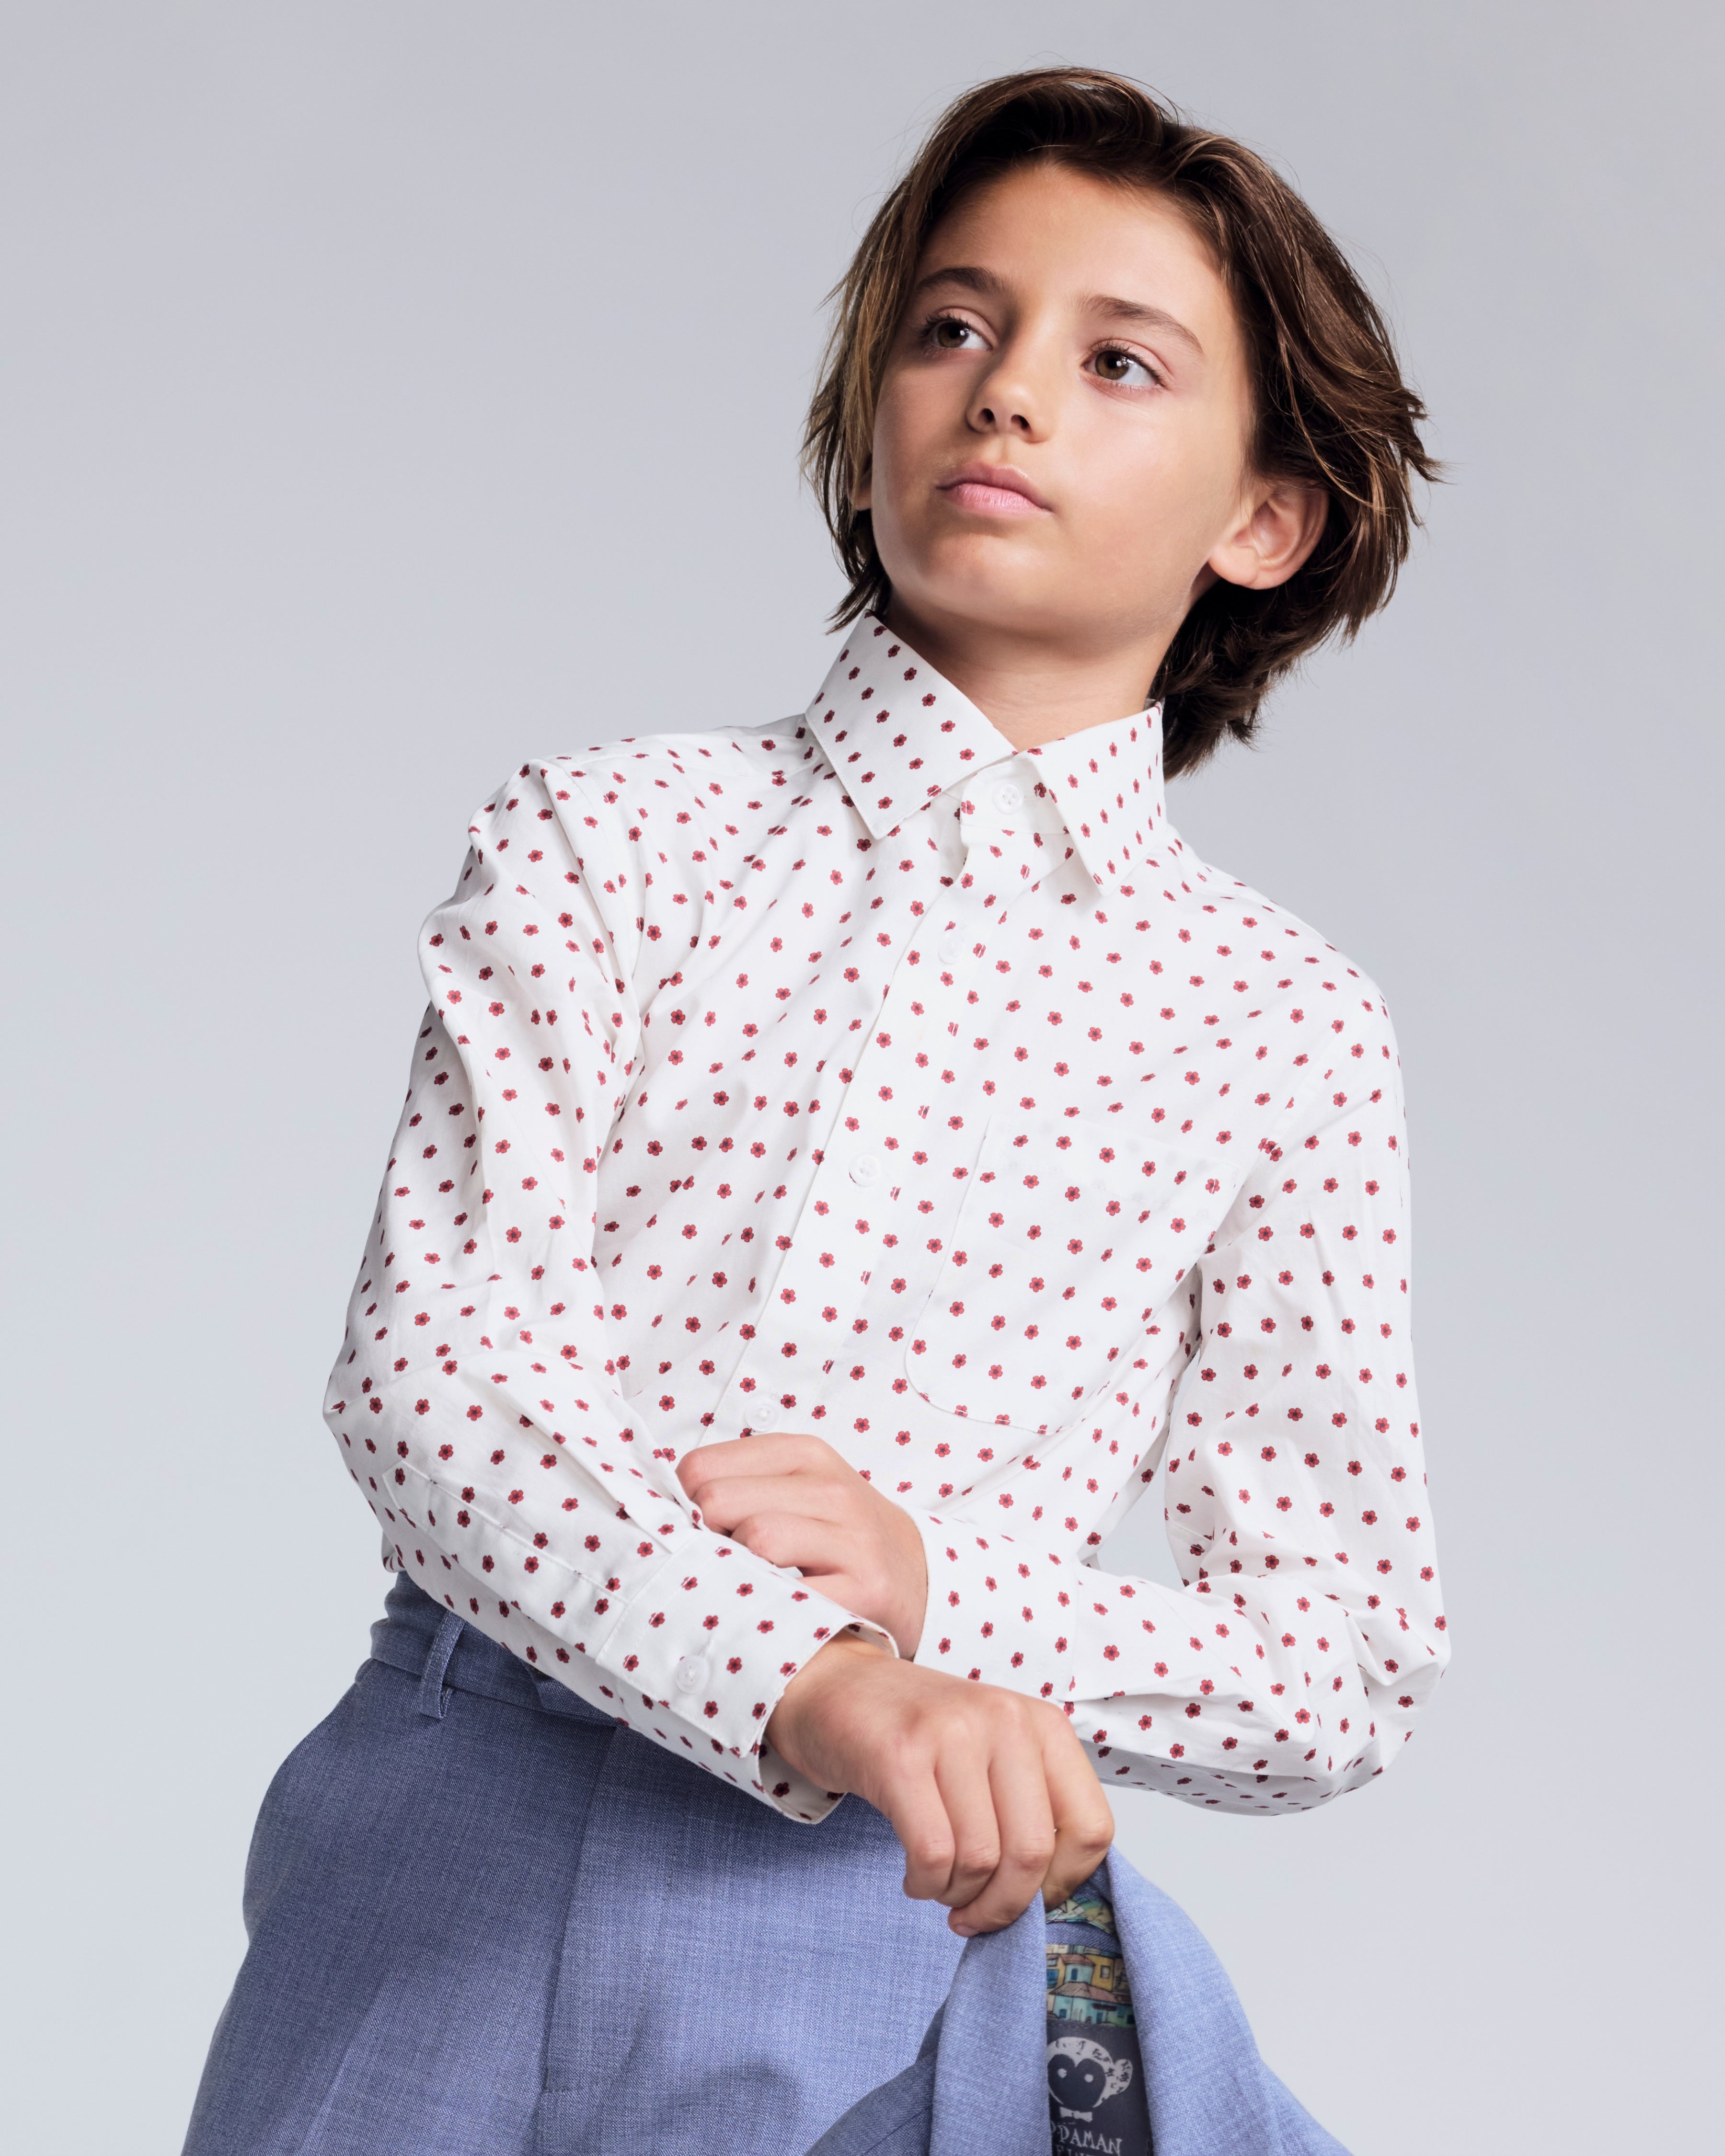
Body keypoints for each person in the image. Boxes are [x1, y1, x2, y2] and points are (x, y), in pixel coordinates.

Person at [183, 65, 1447, 2156]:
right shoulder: (613, 838)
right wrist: (827, 1677)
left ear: (1265, 517)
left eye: (1117, 359)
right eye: (954, 327)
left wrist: (946, 1604)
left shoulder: (1284, 1026)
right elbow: (433, 1393)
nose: (1007, 393)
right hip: (464, 1840)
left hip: (914, 1939)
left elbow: (1340, 1665)